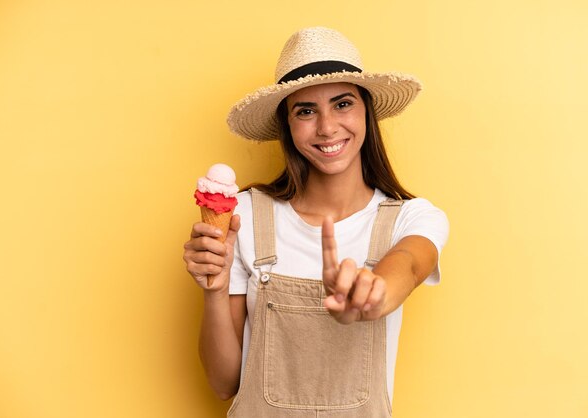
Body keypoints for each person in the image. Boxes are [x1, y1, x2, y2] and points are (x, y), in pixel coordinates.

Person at [183, 27, 449, 417]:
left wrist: (372, 293)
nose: (326, 127)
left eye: (343, 104)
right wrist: (214, 290)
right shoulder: (245, 218)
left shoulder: (412, 218)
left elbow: (408, 264)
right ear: (287, 126)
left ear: (366, 112)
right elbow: (224, 384)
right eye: (305, 111)